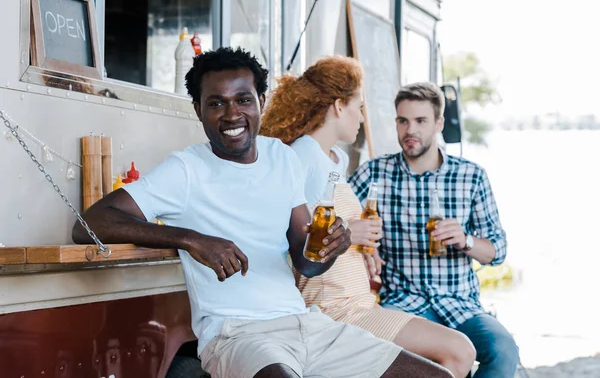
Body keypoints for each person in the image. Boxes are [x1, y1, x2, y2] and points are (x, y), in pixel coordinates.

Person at [72, 47, 452, 378]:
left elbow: (306, 263)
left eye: (243, 99)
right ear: (198, 110)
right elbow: (90, 223)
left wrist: (330, 247)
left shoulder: (281, 158)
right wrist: (190, 239)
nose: (231, 114)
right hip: (237, 333)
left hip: (306, 324)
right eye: (216, 103)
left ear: (261, 101)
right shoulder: (185, 169)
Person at [261, 55, 475, 378]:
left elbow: (331, 225)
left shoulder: (333, 160)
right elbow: (281, 232)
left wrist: (364, 247)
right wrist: (351, 231)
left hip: (360, 302)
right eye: (358, 106)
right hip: (332, 306)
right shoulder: (302, 153)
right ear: (336, 106)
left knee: (456, 355)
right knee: (459, 352)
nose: (363, 117)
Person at [348, 81, 520, 377]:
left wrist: (465, 240)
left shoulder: (471, 176)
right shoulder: (374, 172)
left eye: (420, 121)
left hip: (461, 303)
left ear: (439, 123)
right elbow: (337, 218)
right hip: (403, 302)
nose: (410, 130)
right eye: (403, 121)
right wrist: (361, 235)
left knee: (503, 349)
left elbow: (497, 251)